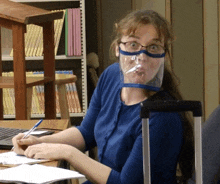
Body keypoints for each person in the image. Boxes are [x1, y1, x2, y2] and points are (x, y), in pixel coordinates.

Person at [12, 9, 194, 184]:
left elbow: (125, 183)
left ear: (163, 56)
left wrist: (67, 152)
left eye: (153, 47)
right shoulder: (112, 75)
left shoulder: (163, 116)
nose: (141, 56)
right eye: (133, 44)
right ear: (117, 49)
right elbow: (86, 133)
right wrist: (39, 142)